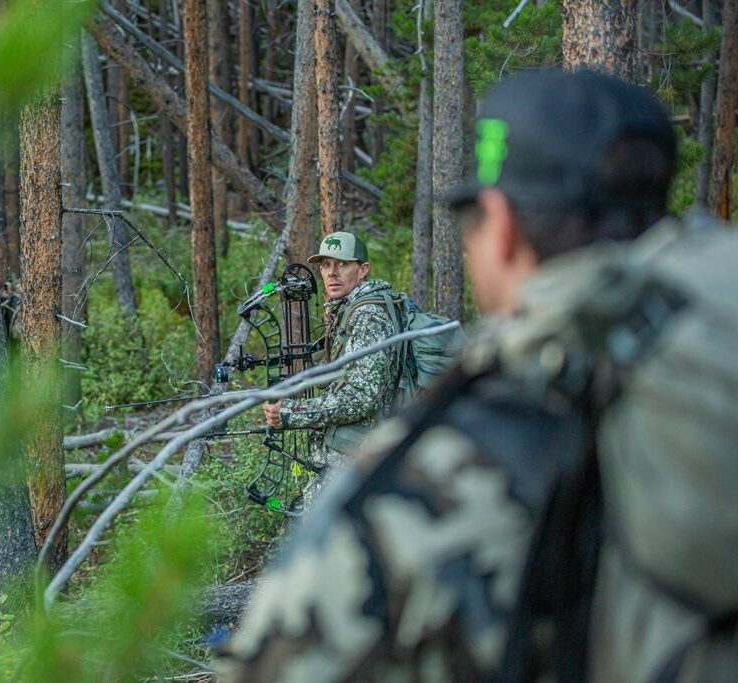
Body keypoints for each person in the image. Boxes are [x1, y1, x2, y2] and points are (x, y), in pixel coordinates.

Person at [218, 68, 738, 681]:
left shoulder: (438, 469)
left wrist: (296, 415)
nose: (329, 273)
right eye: (323, 264)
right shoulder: (707, 345)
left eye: (471, 222)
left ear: (502, 225)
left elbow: (275, 663)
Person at [261, 231, 404, 509]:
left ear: (362, 270)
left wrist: (290, 412)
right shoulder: (351, 310)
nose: (332, 273)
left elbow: (360, 398)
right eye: (326, 265)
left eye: (342, 264)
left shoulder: (368, 316)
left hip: (356, 461)